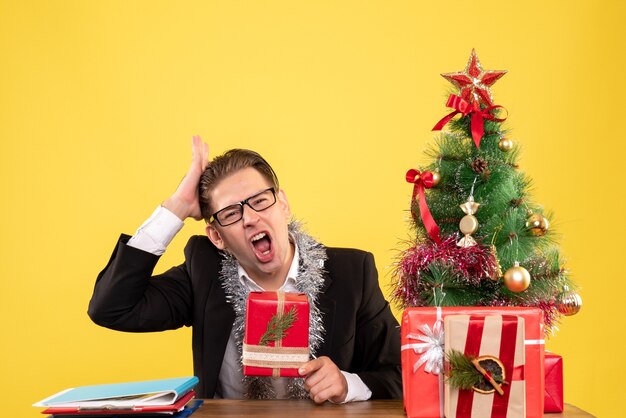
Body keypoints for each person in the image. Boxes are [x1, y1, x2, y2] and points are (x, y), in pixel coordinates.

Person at [88, 136, 401, 403]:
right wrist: (177, 207)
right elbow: (111, 308)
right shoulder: (204, 272)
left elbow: (400, 375)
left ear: (283, 205)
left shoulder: (351, 273)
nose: (250, 218)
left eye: (260, 201)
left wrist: (349, 385)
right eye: (230, 213)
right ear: (217, 237)